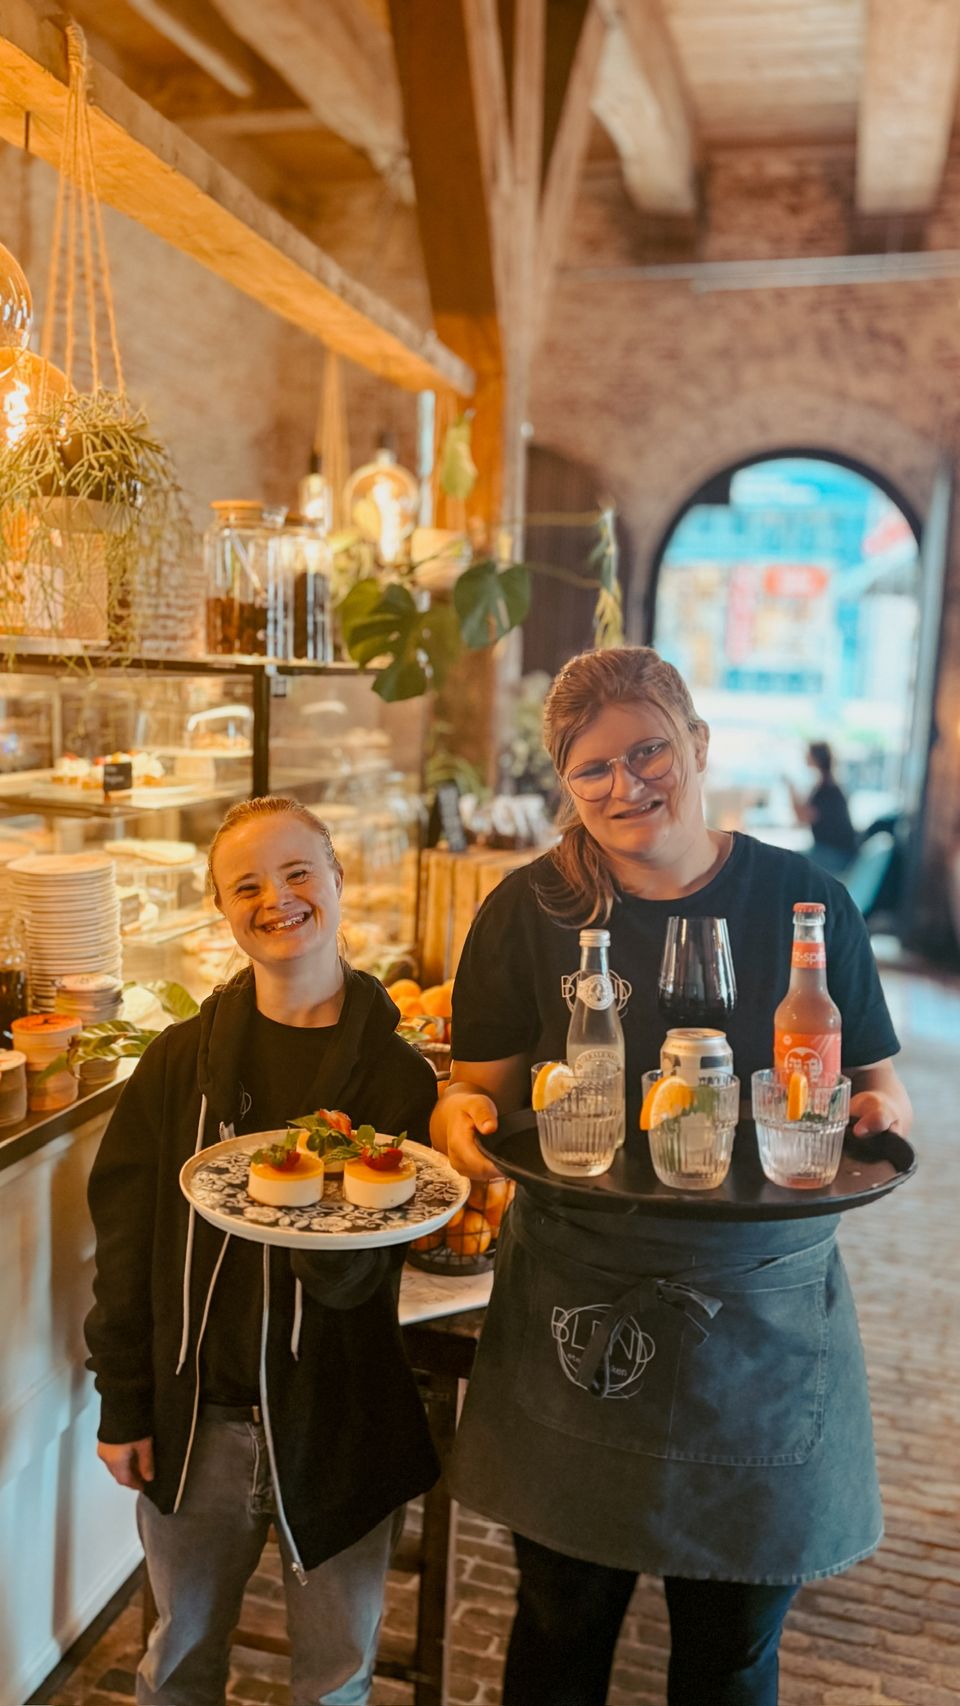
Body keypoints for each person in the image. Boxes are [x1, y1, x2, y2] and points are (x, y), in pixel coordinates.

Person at [431, 647, 912, 1706]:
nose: (625, 783)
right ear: (564, 779)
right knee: (560, 1622)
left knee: (732, 1644)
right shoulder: (529, 907)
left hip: (762, 1315)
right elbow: (479, 1091)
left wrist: (873, 1113)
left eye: (648, 749)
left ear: (698, 742)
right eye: (591, 767)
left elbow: (881, 1089)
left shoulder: (803, 898)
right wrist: (462, 1124)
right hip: (577, 1302)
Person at [85, 796, 439, 1706]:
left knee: (333, 1681)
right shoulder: (176, 1065)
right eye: (245, 885)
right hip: (196, 1423)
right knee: (179, 1662)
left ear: (336, 881)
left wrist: (327, 1231)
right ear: (220, 908)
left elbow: (376, 1270)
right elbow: (124, 1245)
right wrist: (123, 1402)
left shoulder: (399, 1080)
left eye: (295, 873)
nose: (275, 899)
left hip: (341, 1425)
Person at [787, 740, 858, 873]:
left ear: (816, 758)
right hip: (831, 851)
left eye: (808, 754)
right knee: (788, 859)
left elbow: (803, 817)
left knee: (789, 863)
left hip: (836, 856)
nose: (805, 757)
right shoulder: (825, 784)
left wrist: (790, 790)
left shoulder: (828, 789)